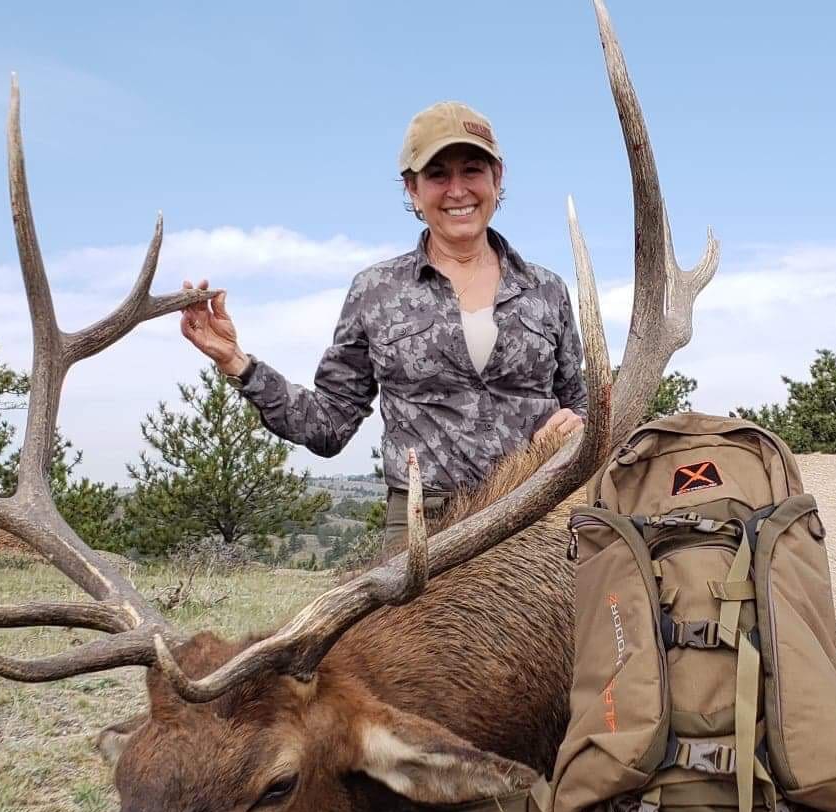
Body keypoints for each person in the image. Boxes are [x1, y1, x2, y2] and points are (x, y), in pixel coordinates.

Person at [179, 101, 586, 548]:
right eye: (437, 175)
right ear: (412, 189)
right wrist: (239, 363)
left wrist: (579, 425)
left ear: (497, 179)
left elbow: (582, 404)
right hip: (425, 529)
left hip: (540, 515)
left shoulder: (546, 290)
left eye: (472, 170)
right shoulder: (376, 291)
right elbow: (329, 424)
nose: (457, 190)